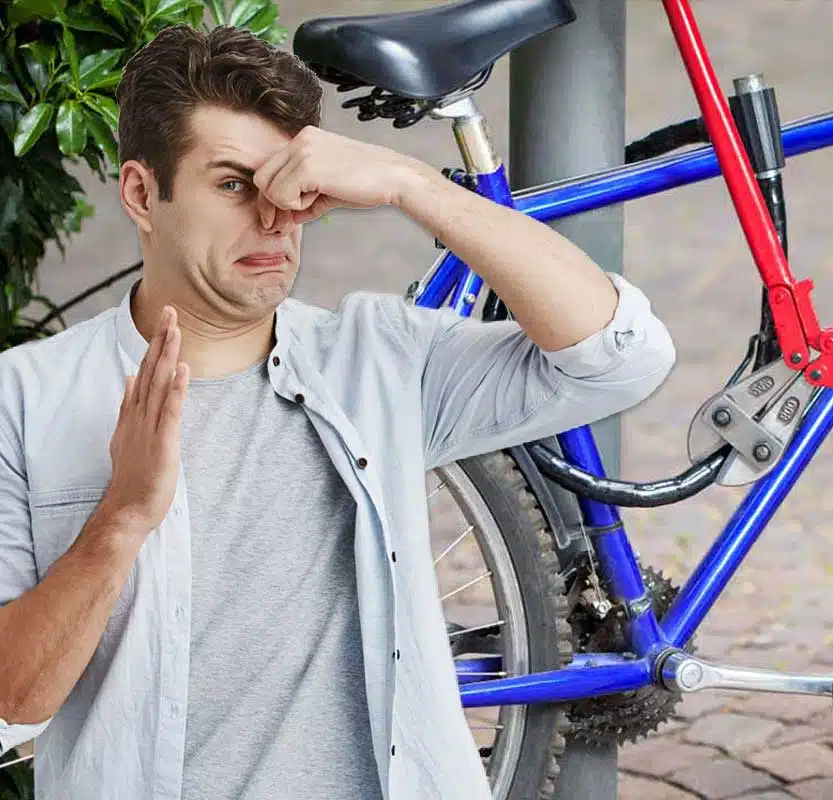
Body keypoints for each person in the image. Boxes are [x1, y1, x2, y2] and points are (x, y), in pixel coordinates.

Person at [0, 23, 675, 800]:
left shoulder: (379, 360)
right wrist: (119, 520)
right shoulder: (25, 399)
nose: (276, 218)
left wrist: (410, 185)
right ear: (142, 194)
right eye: (232, 185)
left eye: (292, 185)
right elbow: (13, 700)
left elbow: (624, 354)